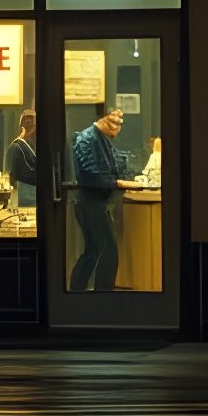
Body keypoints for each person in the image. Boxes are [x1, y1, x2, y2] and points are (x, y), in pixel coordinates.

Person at [69, 102, 129, 292]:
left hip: (94, 201)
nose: (118, 126)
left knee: (97, 250)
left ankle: (83, 291)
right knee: (103, 250)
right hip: (89, 200)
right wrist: (117, 183)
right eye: (115, 120)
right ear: (103, 117)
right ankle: (98, 293)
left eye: (120, 122)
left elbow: (112, 166)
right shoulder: (88, 138)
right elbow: (91, 172)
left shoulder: (99, 139)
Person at [6, 110, 38, 208]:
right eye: (27, 123)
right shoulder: (17, 146)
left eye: (32, 123)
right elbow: (12, 177)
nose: (29, 124)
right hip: (23, 200)